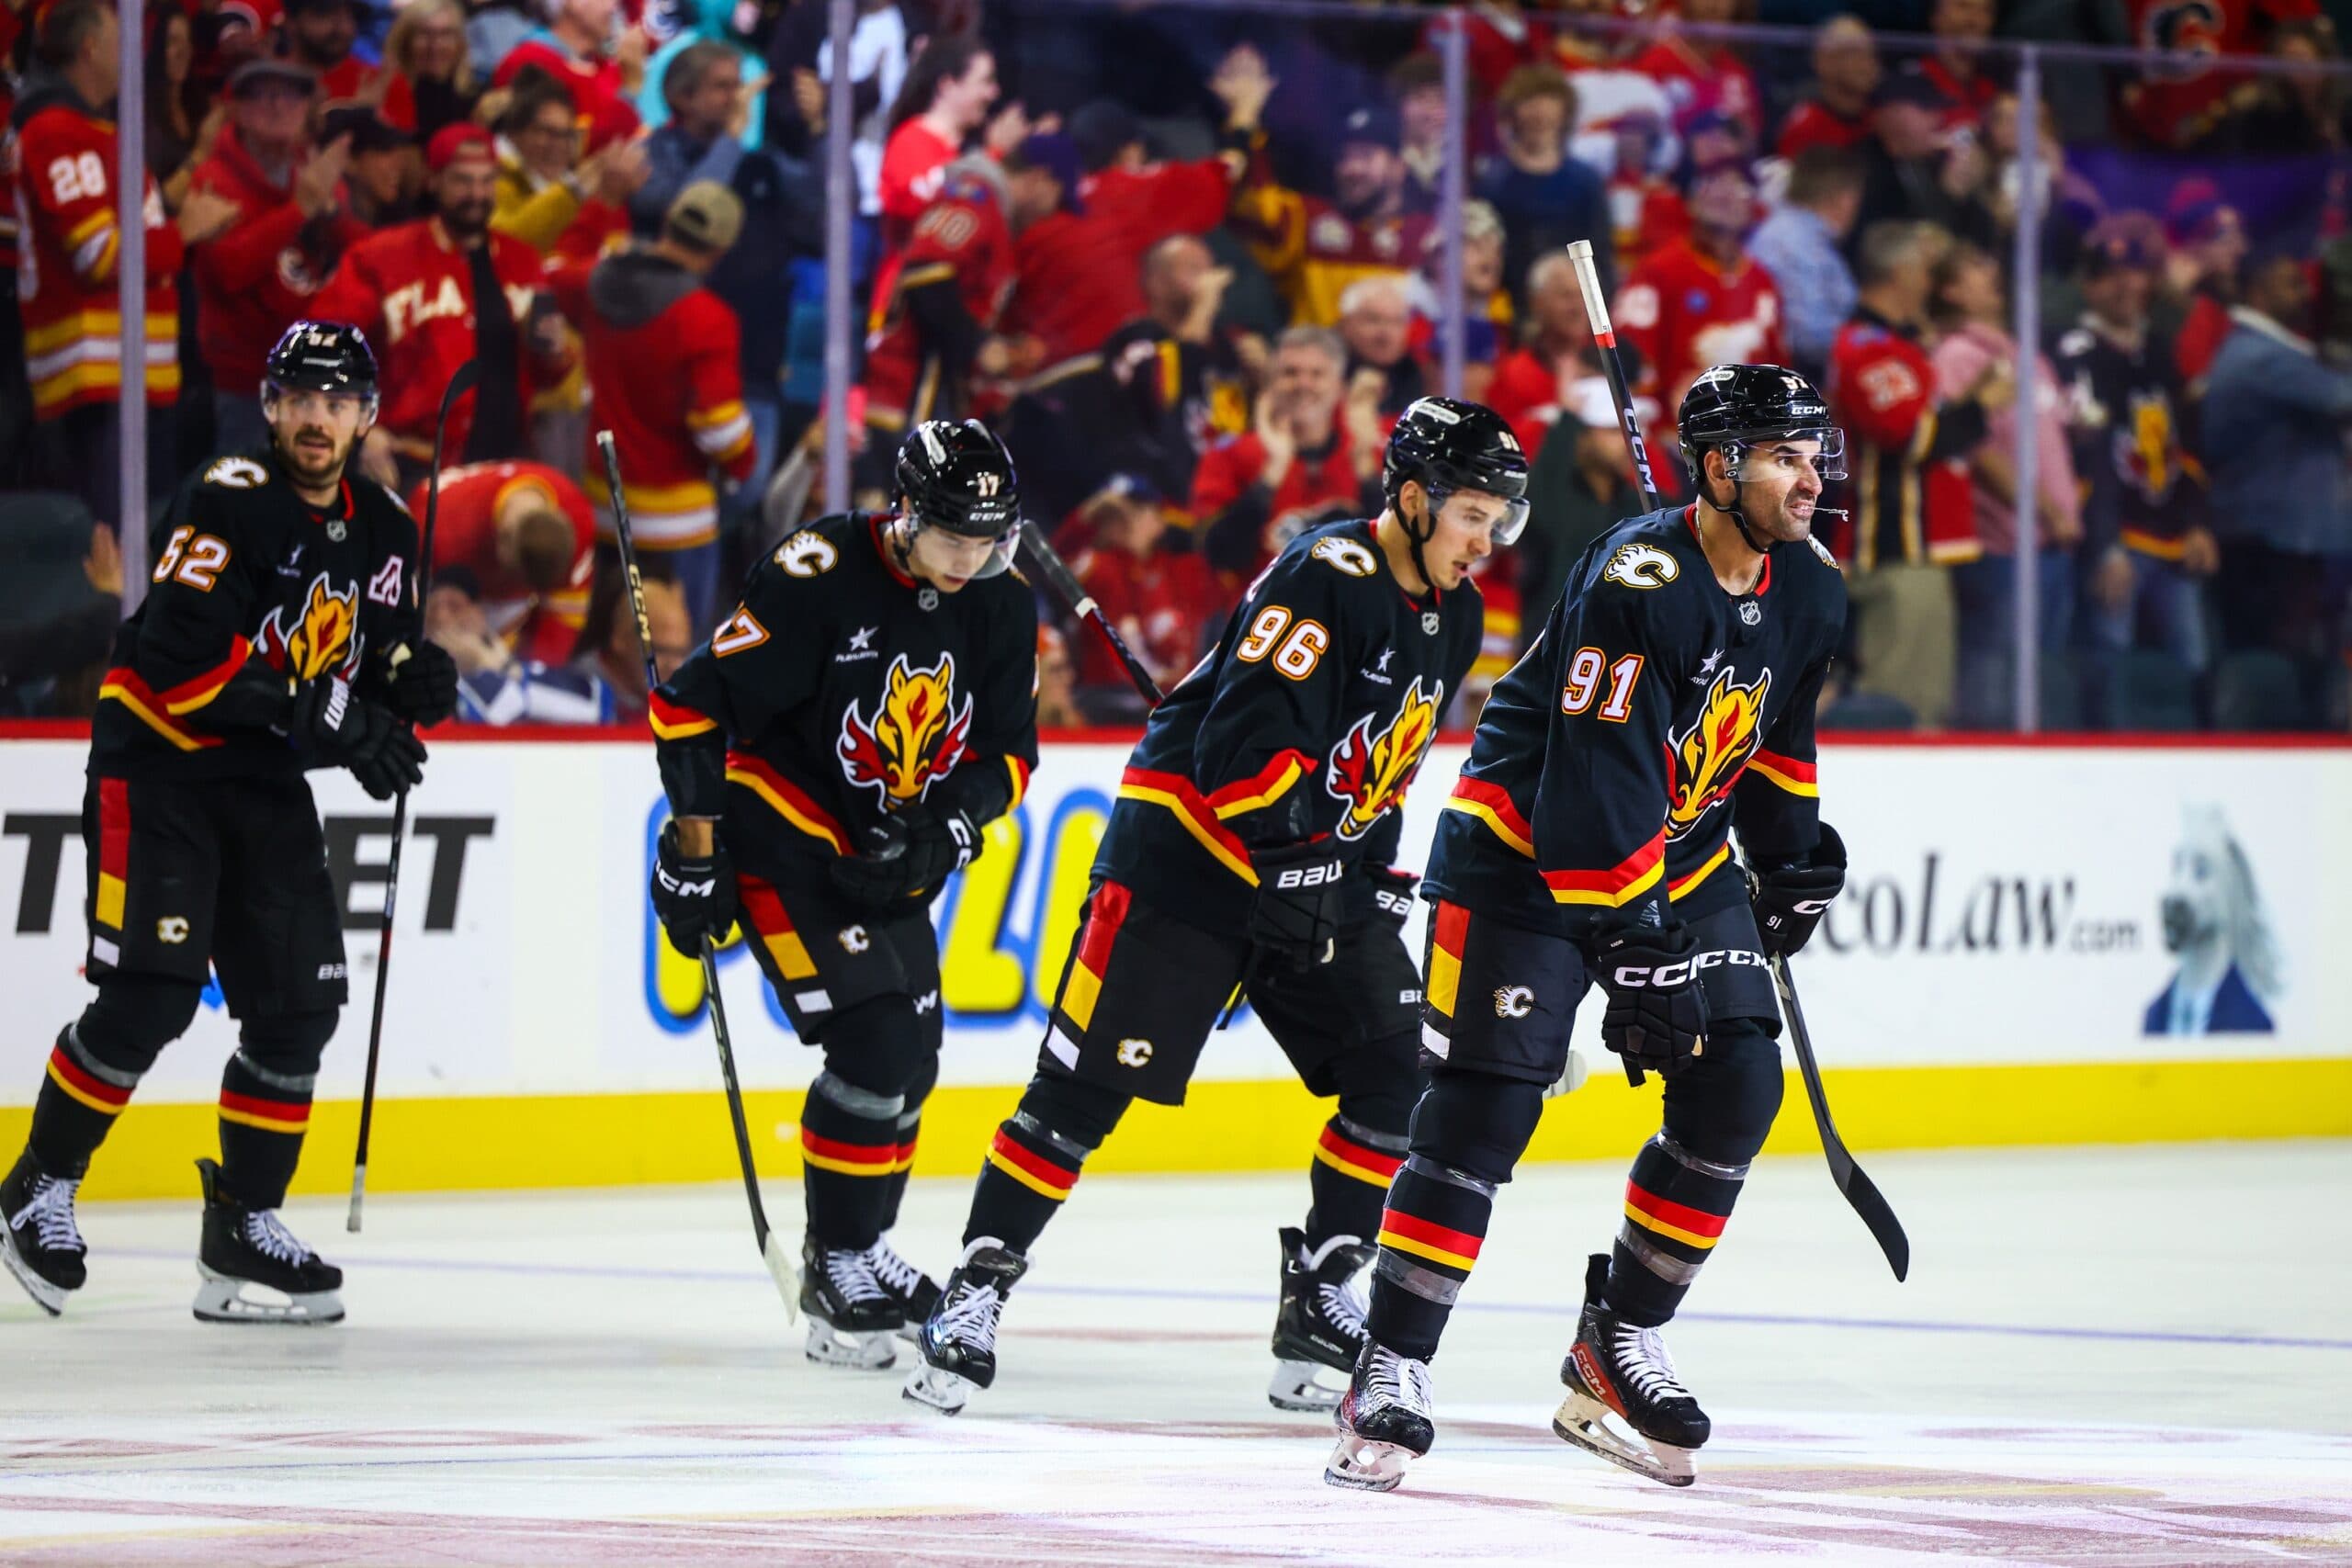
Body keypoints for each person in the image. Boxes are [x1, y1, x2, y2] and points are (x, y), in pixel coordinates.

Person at [903, 399, 1528, 1418]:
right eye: (1470, 513)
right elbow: (1236, 755)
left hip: (1310, 871)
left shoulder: (1454, 616)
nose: (1485, 541)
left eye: (1499, 519)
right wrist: (1300, 858)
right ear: (1411, 500)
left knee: (1397, 1078)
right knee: (1078, 1098)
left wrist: (1360, 869)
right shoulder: (1328, 575)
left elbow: (1381, 767)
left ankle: (1322, 1295)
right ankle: (973, 1292)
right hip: (1186, 866)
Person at [1325, 365, 1849, 1494]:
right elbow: (1593, 787)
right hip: (1523, 855)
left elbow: (1772, 739)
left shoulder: (1809, 584)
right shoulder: (1636, 578)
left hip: (1675, 848)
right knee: (1485, 1107)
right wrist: (1635, 945)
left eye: (1816, 453)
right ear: (1717, 469)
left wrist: (1795, 853)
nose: (1811, 477)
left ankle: (1614, 1341)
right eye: (1783, 457)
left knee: (1736, 1087)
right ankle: (1389, 1361)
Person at [0, 321, 453, 1323]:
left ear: (366, 416)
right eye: (300, 398)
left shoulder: (384, 525)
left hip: (259, 779)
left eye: (337, 402)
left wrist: (407, 683)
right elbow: (180, 658)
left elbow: (358, 662)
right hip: (159, 765)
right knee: (151, 994)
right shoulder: (228, 500)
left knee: (298, 1007)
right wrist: (341, 716)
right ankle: (38, 1184)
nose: (317, 418)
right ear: (271, 408)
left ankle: (242, 1222)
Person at [645, 418, 1037, 1368]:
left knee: (917, 1060)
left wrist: (940, 830)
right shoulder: (820, 570)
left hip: (887, 849)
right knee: (875, 1043)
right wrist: (694, 850)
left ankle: (864, 1244)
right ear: (904, 512)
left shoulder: (998, 602)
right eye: (953, 536)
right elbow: (693, 704)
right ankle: (837, 1261)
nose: (970, 558)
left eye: (989, 539)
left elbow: (1007, 758)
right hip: (781, 839)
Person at [15, 0, 231, 530]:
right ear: (90, 46)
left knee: (149, 545)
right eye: (120, 35)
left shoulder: (101, 131)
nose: (134, 49)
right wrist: (184, 231)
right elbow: (101, 256)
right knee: (118, 561)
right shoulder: (57, 131)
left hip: (134, 376)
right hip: (99, 381)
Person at [313, 124, 570, 491]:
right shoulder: (382, 258)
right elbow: (318, 350)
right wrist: (359, 429)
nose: (477, 195)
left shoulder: (522, 261)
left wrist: (556, 354)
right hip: (412, 464)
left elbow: (541, 374)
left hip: (505, 463)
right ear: (434, 182)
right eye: (462, 181)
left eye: (486, 181)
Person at [552, 181, 755, 631]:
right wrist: (743, 464)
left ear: (668, 223)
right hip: (677, 526)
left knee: (610, 646)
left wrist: (597, 208)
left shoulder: (595, 281)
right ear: (720, 250)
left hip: (603, 504)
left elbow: (552, 270)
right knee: (674, 659)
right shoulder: (706, 316)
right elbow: (719, 430)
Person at [1827, 220, 2003, 727]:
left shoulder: (1901, 347)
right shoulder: (1864, 346)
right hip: (1894, 552)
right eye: (1928, 271)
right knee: (1900, 713)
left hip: (1921, 551)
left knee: (1927, 710)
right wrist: (1979, 407)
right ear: (1901, 273)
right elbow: (1910, 436)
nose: (1933, 283)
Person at [2052, 222, 2210, 724]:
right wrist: (2106, 546)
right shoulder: (2075, 353)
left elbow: (2186, 444)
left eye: (2135, 274)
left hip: (2173, 536)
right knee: (2108, 658)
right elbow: (2089, 456)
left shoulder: (2161, 350)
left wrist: (2199, 522)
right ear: (2088, 285)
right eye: (2110, 277)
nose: (2125, 286)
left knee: (2195, 660)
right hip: (2119, 538)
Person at [190, 59, 370, 457]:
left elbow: (360, 255)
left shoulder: (312, 169)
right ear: (236, 109)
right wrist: (300, 209)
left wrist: (331, 215)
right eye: (262, 95)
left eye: (291, 95)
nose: (278, 105)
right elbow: (228, 271)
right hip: (248, 384)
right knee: (248, 505)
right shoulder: (214, 179)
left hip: (320, 376)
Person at [1616, 158, 1789, 457]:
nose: (1726, 194)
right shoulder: (1657, 272)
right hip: (1674, 445)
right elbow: (1629, 360)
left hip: (1746, 447)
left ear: (1753, 207)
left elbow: (1775, 368)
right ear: (1692, 202)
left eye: (1739, 186)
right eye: (1713, 184)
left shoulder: (1762, 282)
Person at [1191, 326, 1385, 583]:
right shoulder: (1230, 455)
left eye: (1317, 374)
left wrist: (1367, 475)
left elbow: (1399, 556)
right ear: (1270, 383)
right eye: (1290, 373)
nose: (1303, 384)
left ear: (1340, 387)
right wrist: (1269, 476)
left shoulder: (1371, 454)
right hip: (1262, 614)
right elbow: (1219, 555)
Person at [1230, 101, 1433, 329]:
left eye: (1366, 156)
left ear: (1399, 168)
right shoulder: (1309, 219)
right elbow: (1257, 205)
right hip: (1320, 361)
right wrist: (1246, 129)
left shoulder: (1428, 236)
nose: (1351, 168)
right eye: (1345, 157)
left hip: (1405, 364)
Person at [1093, 234, 1251, 513]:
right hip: (1151, 501)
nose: (1209, 280)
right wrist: (1202, 309)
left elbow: (1230, 429)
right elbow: (1159, 394)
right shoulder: (1134, 339)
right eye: (1193, 270)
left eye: (1209, 269)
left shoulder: (1222, 350)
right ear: (1156, 283)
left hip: (1211, 502)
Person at [410, 459, 598, 662]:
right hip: (437, 582)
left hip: (487, 598)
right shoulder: (434, 526)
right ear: (502, 541)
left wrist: (524, 672)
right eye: (516, 578)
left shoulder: (578, 517)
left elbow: (561, 625)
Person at [1476, 65, 1612, 317]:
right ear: (1513, 113)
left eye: (1549, 101)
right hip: (1511, 309)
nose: (1540, 112)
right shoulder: (1492, 183)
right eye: (1530, 101)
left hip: (1574, 306)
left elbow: (1601, 254)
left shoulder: (1585, 182)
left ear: (1564, 113)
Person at [1745, 147, 1865, 384]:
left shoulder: (1803, 236)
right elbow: (1807, 335)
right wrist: (1870, 345)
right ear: (1844, 198)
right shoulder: (1793, 242)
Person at [1774, 17, 1881, 160]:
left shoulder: (1879, 120)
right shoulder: (1806, 127)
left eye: (1871, 54)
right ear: (1823, 62)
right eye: (1854, 53)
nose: (1867, 64)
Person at [380, 0, 481, 143]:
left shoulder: (476, 101)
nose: (435, 46)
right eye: (424, 34)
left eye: (446, 34)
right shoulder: (383, 98)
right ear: (404, 41)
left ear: (460, 43)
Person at [278, 0, 374, 101]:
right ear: (291, 22)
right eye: (324, 13)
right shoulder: (267, 81)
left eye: (351, 15)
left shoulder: (375, 82)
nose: (342, 27)